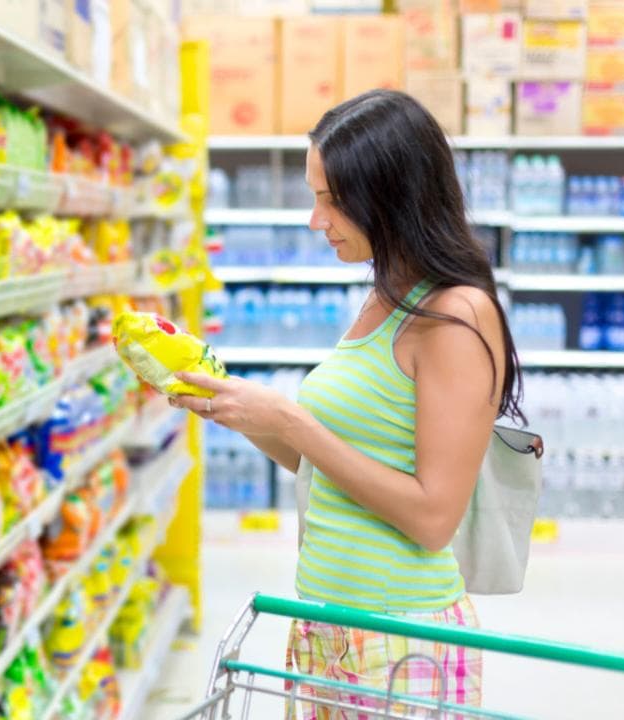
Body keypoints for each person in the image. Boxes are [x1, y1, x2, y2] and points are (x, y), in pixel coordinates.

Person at [171, 90, 526, 718]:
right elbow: (330, 465)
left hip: (401, 639)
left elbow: (433, 518)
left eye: (332, 199)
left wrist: (293, 421)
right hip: (326, 626)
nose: (317, 220)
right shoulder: (385, 295)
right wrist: (232, 407)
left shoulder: (457, 315)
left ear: (391, 194)